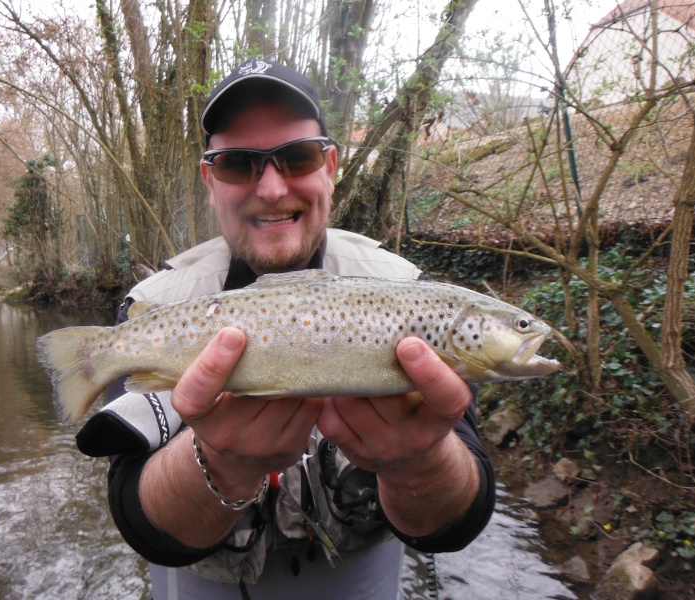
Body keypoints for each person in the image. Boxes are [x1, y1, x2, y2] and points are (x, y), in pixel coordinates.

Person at [78, 57, 495, 600]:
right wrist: (220, 464)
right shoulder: (154, 306)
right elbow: (135, 511)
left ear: (331, 166)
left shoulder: (414, 296)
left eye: (297, 157)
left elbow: (464, 511)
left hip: (358, 572)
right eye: (236, 163)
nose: (271, 189)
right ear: (210, 180)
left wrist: (422, 463)